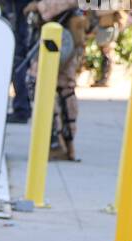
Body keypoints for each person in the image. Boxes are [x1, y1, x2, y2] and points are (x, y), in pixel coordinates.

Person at [23, 1, 87, 163]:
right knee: (63, 88)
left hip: (62, 35)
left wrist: (39, 6)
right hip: (64, 33)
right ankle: (64, 145)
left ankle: (55, 144)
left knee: (40, 83)